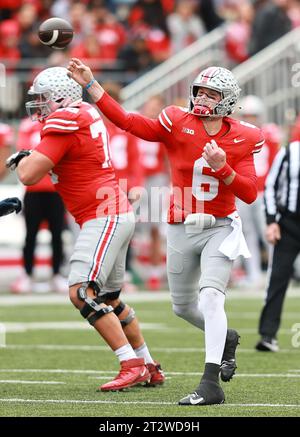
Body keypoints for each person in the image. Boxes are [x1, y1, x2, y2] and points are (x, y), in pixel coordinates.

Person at [67, 59, 264, 405]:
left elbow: (249, 192)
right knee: (183, 307)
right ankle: (226, 338)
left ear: (228, 99)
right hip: (180, 225)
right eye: (199, 91)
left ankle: (209, 384)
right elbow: (128, 122)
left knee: (211, 297)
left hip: (219, 226)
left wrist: (224, 169)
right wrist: (92, 86)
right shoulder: (176, 120)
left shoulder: (247, 135)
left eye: (211, 93)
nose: (202, 97)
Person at [6, 66, 164, 391]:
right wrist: (31, 156)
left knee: (81, 291)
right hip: (112, 211)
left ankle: (130, 363)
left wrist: (24, 159)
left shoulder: (65, 118)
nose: (39, 106)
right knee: (111, 300)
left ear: (61, 97)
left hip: (102, 214)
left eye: (43, 99)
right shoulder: (84, 113)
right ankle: (148, 364)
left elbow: (27, 176)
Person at [11, 117, 67, 294]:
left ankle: (56, 273)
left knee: (57, 234)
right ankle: (27, 274)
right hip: (34, 189)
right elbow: (24, 155)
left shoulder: (61, 122)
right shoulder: (28, 126)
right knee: (31, 234)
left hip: (56, 189)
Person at [255, 140, 300, 352]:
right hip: (289, 224)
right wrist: (271, 220)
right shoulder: (290, 151)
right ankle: (268, 334)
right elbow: (270, 185)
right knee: (278, 277)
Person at [234, 95, 280, 286]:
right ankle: (253, 274)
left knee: (266, 231)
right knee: (247, 233)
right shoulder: (237, 133)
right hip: (244, 191)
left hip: (263, 191)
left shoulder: (269, 133)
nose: (250, 118)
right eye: (247, 115)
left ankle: (273, 273)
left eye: (254, 115)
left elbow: (274, 163)